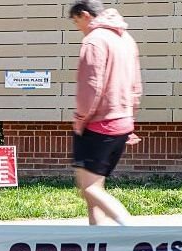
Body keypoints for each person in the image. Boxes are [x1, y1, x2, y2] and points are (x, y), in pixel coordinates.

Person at [69, 0, 143, 225]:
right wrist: (130, 118)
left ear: (85, 15)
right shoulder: (126, 39)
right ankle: (97, 244)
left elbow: (91, 87)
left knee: (88, 187)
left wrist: (80, 120)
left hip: (98, 124)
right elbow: (135, 86)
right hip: (122, 123)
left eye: (76, 21)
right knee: (96, 188)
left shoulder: (94, 40)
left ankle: (131, 227)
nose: (78, 27)